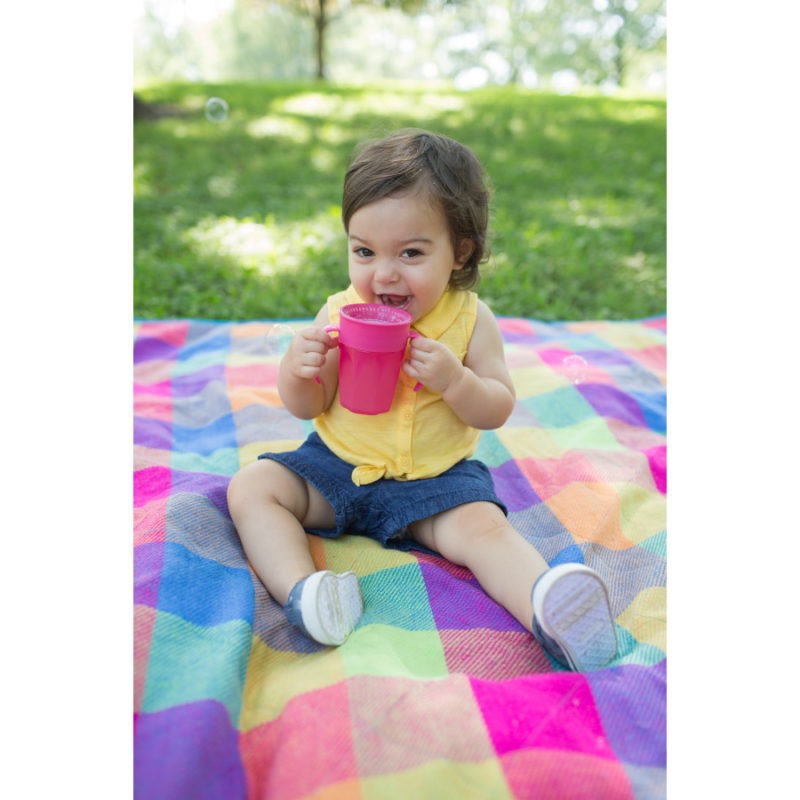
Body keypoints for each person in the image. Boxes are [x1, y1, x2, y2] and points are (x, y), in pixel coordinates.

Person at [227, 130, 617, 672]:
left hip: (435, 485)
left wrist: (456, 381)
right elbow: (306, 404)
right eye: (364, 251)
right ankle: (306, 594)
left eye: (410, 253)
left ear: (460, 251)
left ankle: (550, 611)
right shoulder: (341, 311)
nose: (383, 274)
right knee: (253, 486)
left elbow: (497, 406)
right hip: (338, 468)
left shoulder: (469, 321)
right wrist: (298, 370)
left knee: (486, 531)